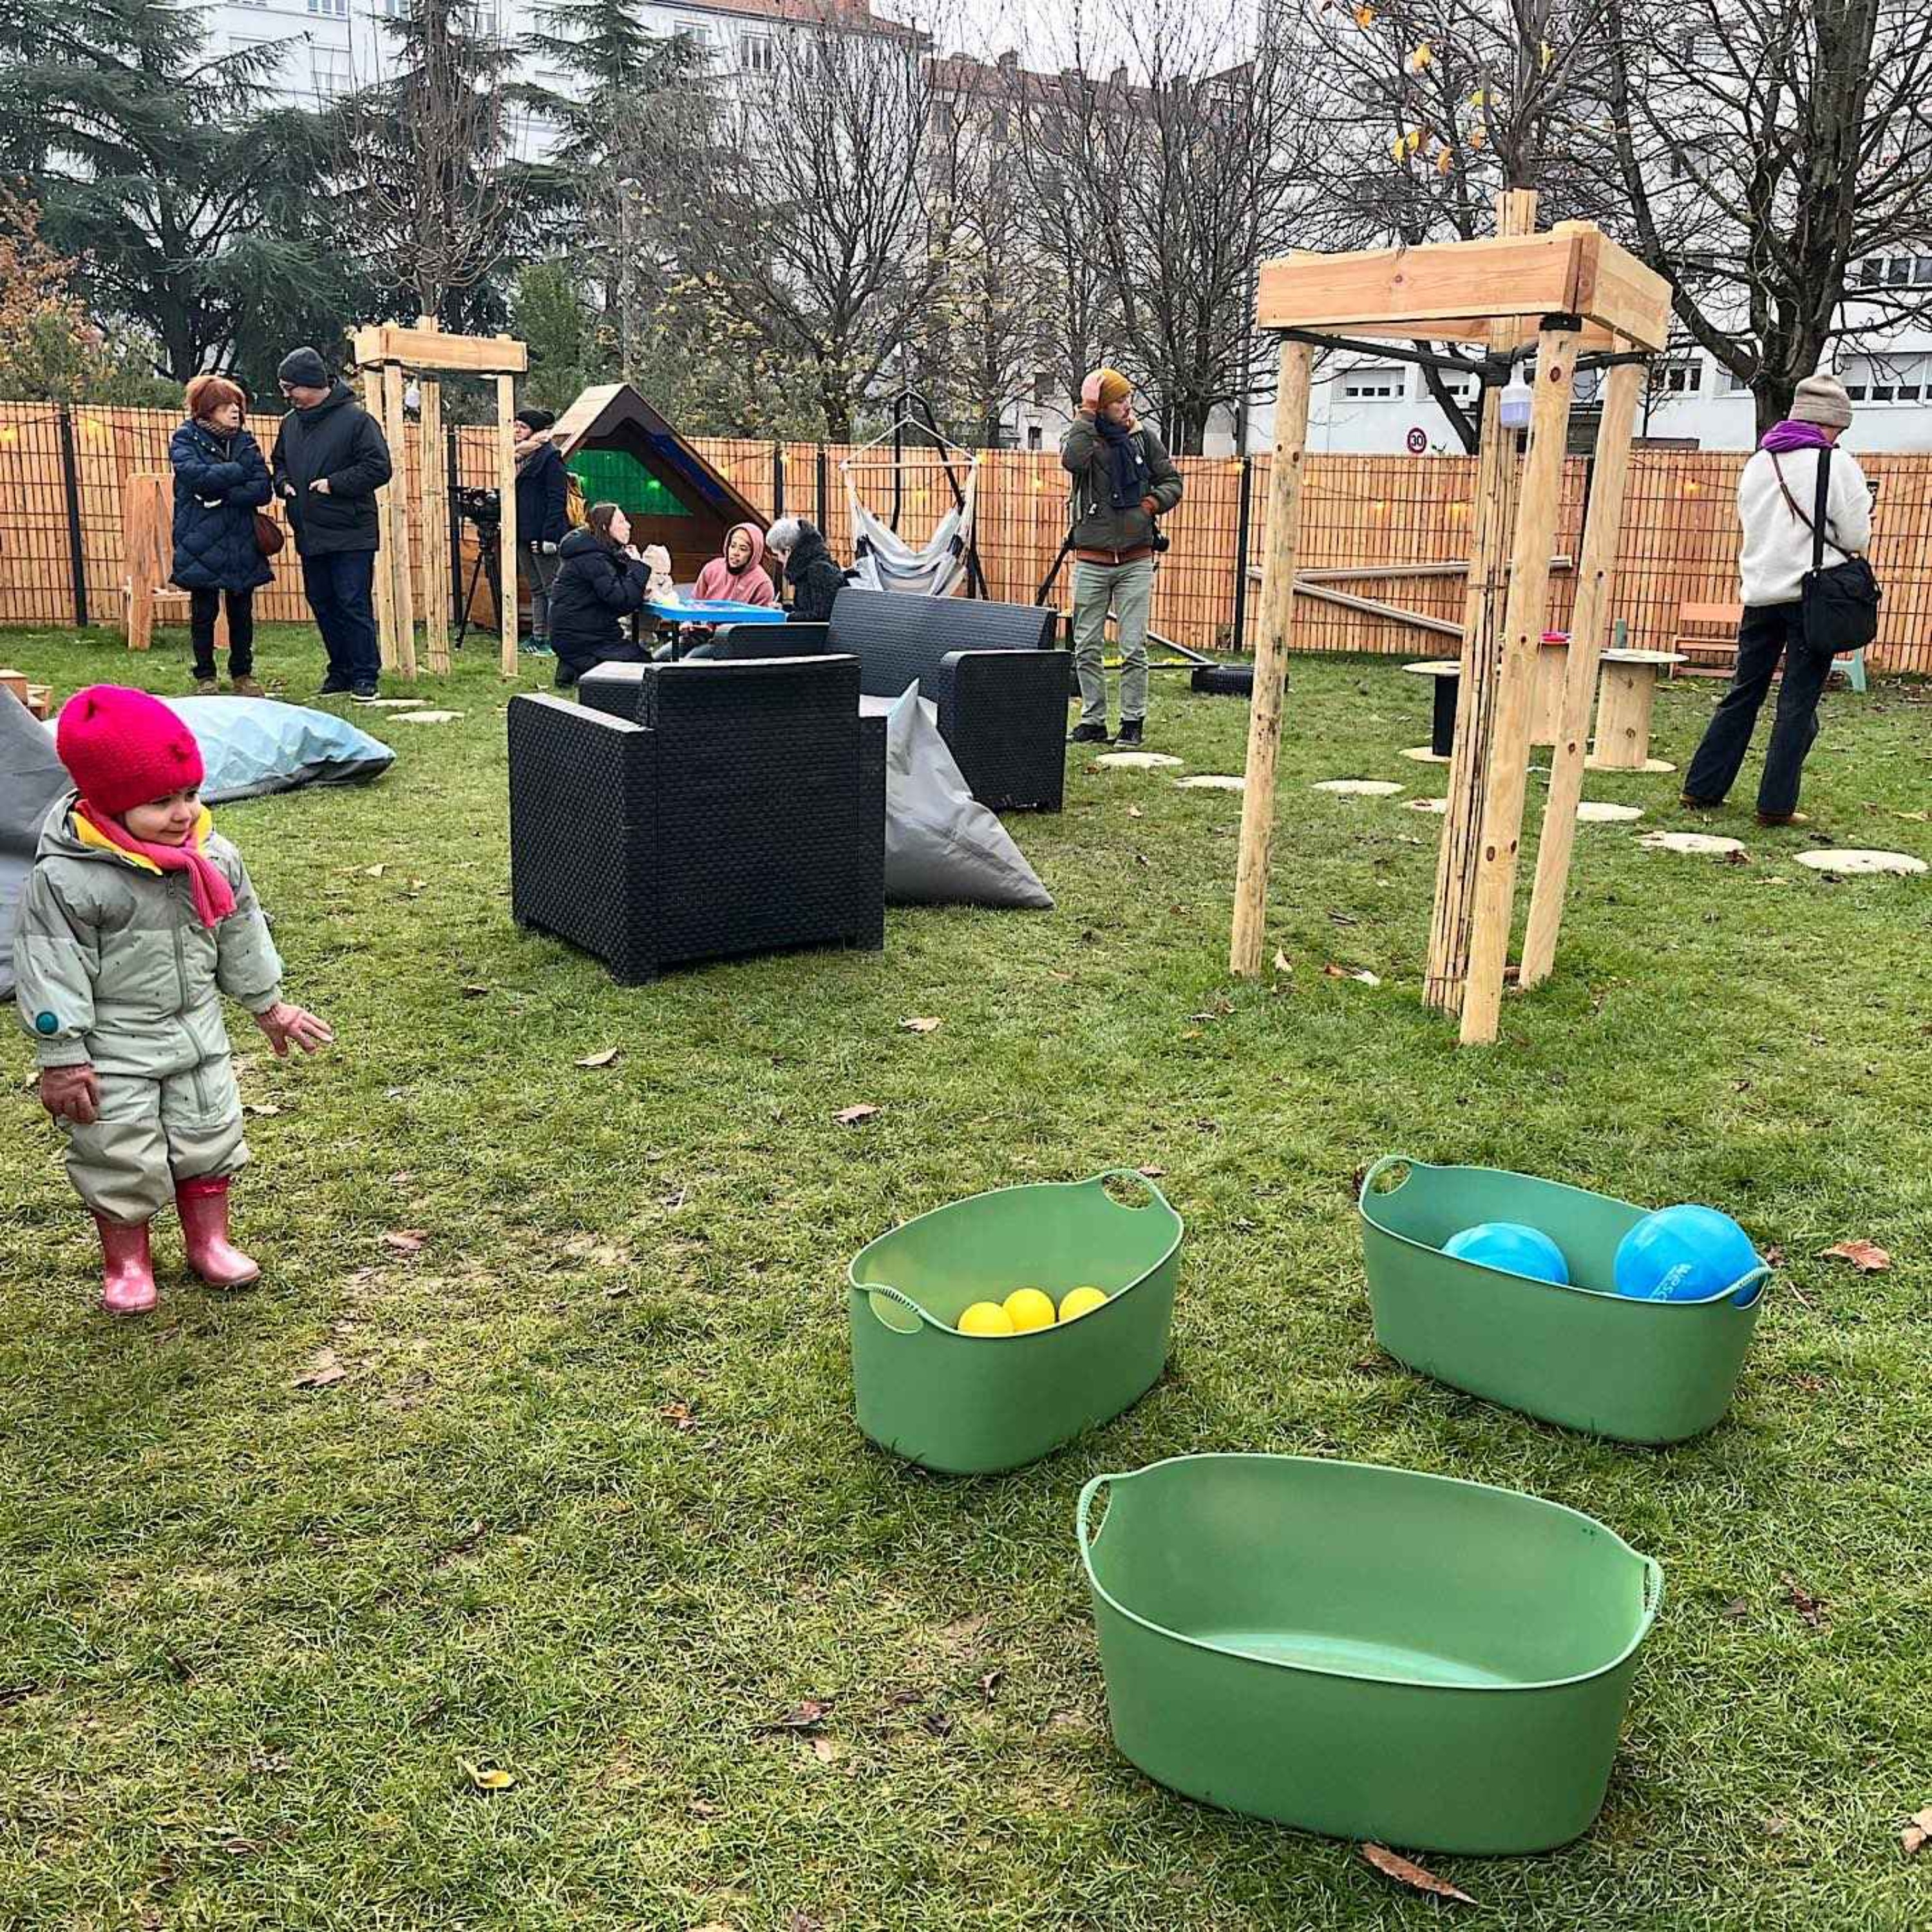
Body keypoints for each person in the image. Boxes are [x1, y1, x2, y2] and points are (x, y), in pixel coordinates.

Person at [12, 685, 333, 1315]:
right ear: (108, 799)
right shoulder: (69, 878)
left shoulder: (211, 858)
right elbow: (51, 966)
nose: (184, 813)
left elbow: (241, 932)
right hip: (115, 1049)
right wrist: (62, 1053)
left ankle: (209, 1241)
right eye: (160, 802)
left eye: (189, 794)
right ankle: (127, 1260)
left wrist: (269, 1004)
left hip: (198, 1037)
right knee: (117, 1150)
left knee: (208, 1133)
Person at [1681, 373, 1873, 828]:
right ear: (1830, 424)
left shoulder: (1758, 463)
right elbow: (1855, 535)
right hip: (1813, 596)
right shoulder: (1836, 464)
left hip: (1761, 593)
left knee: (1743, 692)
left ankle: (1702, 787)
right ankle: (1776, 805)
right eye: (1839, 427)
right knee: (1796, 702)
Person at [1059, 367, 1183, 747]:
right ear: (1100, 405)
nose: (1126, 405)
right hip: (1092, 558)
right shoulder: (1085, 436)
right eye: (1117, 400)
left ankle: (1132, 722)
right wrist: (1086, 412)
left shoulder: (1143, 439)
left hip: (1135, 558)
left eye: (1128, 398)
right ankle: (1093, 721)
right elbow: (1072, 461)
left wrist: (1149, 505)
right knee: (1086, 645)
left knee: (1133, 647)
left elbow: (1172, 482)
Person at [269, 345, 392, 703]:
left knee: (352, 601)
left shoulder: (357, 420)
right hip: (309, 530)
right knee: (322, 601)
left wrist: (334, 484)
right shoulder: (291, 424)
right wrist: (283, 484)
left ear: (312, 384)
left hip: (351, 530)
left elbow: (379, 467)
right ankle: (339, 670)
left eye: (291, 388)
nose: (287, 396)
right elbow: (278, 463)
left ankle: (366, 674)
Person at [167, 374, 272, 697]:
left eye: (237, 406)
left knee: (242, 610)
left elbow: (262, 488)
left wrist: (224, 494)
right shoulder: (185, 438)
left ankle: (243, 673)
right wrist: (238, 472)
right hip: (200, 538)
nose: (235, 412)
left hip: (240, 539)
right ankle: (205, 676)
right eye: (226, 406)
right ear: (207, 409)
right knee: (204, 611)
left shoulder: (246, 441)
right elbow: (195, 477)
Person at [547, 502, 655, 688]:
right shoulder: (594, 559)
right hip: (584, 638)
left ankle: (572, 669)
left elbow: (613, 591)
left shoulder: (594, 552)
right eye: (621, 522)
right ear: (605, 527)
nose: (628, 525)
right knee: (643, 663)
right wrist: (637, 566)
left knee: (635, 656)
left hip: (572, 634)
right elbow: (622, 601)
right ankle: (581, 668)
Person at [513, 406, 571, 655]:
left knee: (551, 589)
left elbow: (557, 498)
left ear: (535, 432)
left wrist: (550, 536)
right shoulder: (519, 457)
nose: (516, 430)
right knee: (536, 588)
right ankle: (538, 637)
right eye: (515, 425)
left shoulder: (550, 458)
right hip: (523, 533)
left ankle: (554, 639)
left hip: (542, 534)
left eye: (522, 427)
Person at [763, 516, 847, 624]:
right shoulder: (808, 568)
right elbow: (808, 609)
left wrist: (787, 617)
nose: (779, 560)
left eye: (777, 555)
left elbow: (821, 616)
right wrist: (785, 609)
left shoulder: (819, 571)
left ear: (788, 551)